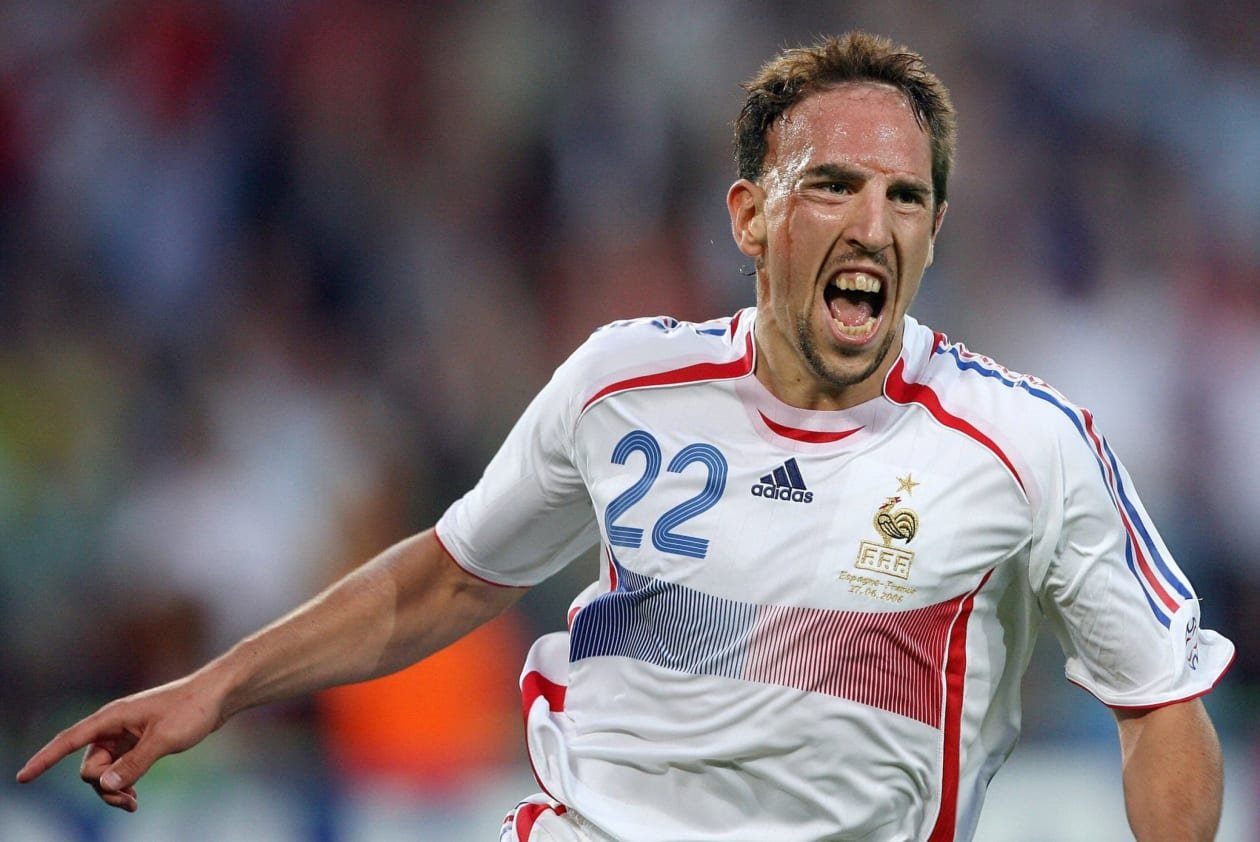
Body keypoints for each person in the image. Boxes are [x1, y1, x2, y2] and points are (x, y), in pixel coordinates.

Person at [17, 31, 1233, 842]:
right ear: (749, 217)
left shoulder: (1025, 442)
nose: (874, 221)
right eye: (833, 185)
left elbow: (1161, 702)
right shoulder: (624, 382)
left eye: (905, 196)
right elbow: (450, 574)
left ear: (933, 229)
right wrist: (215, 688)